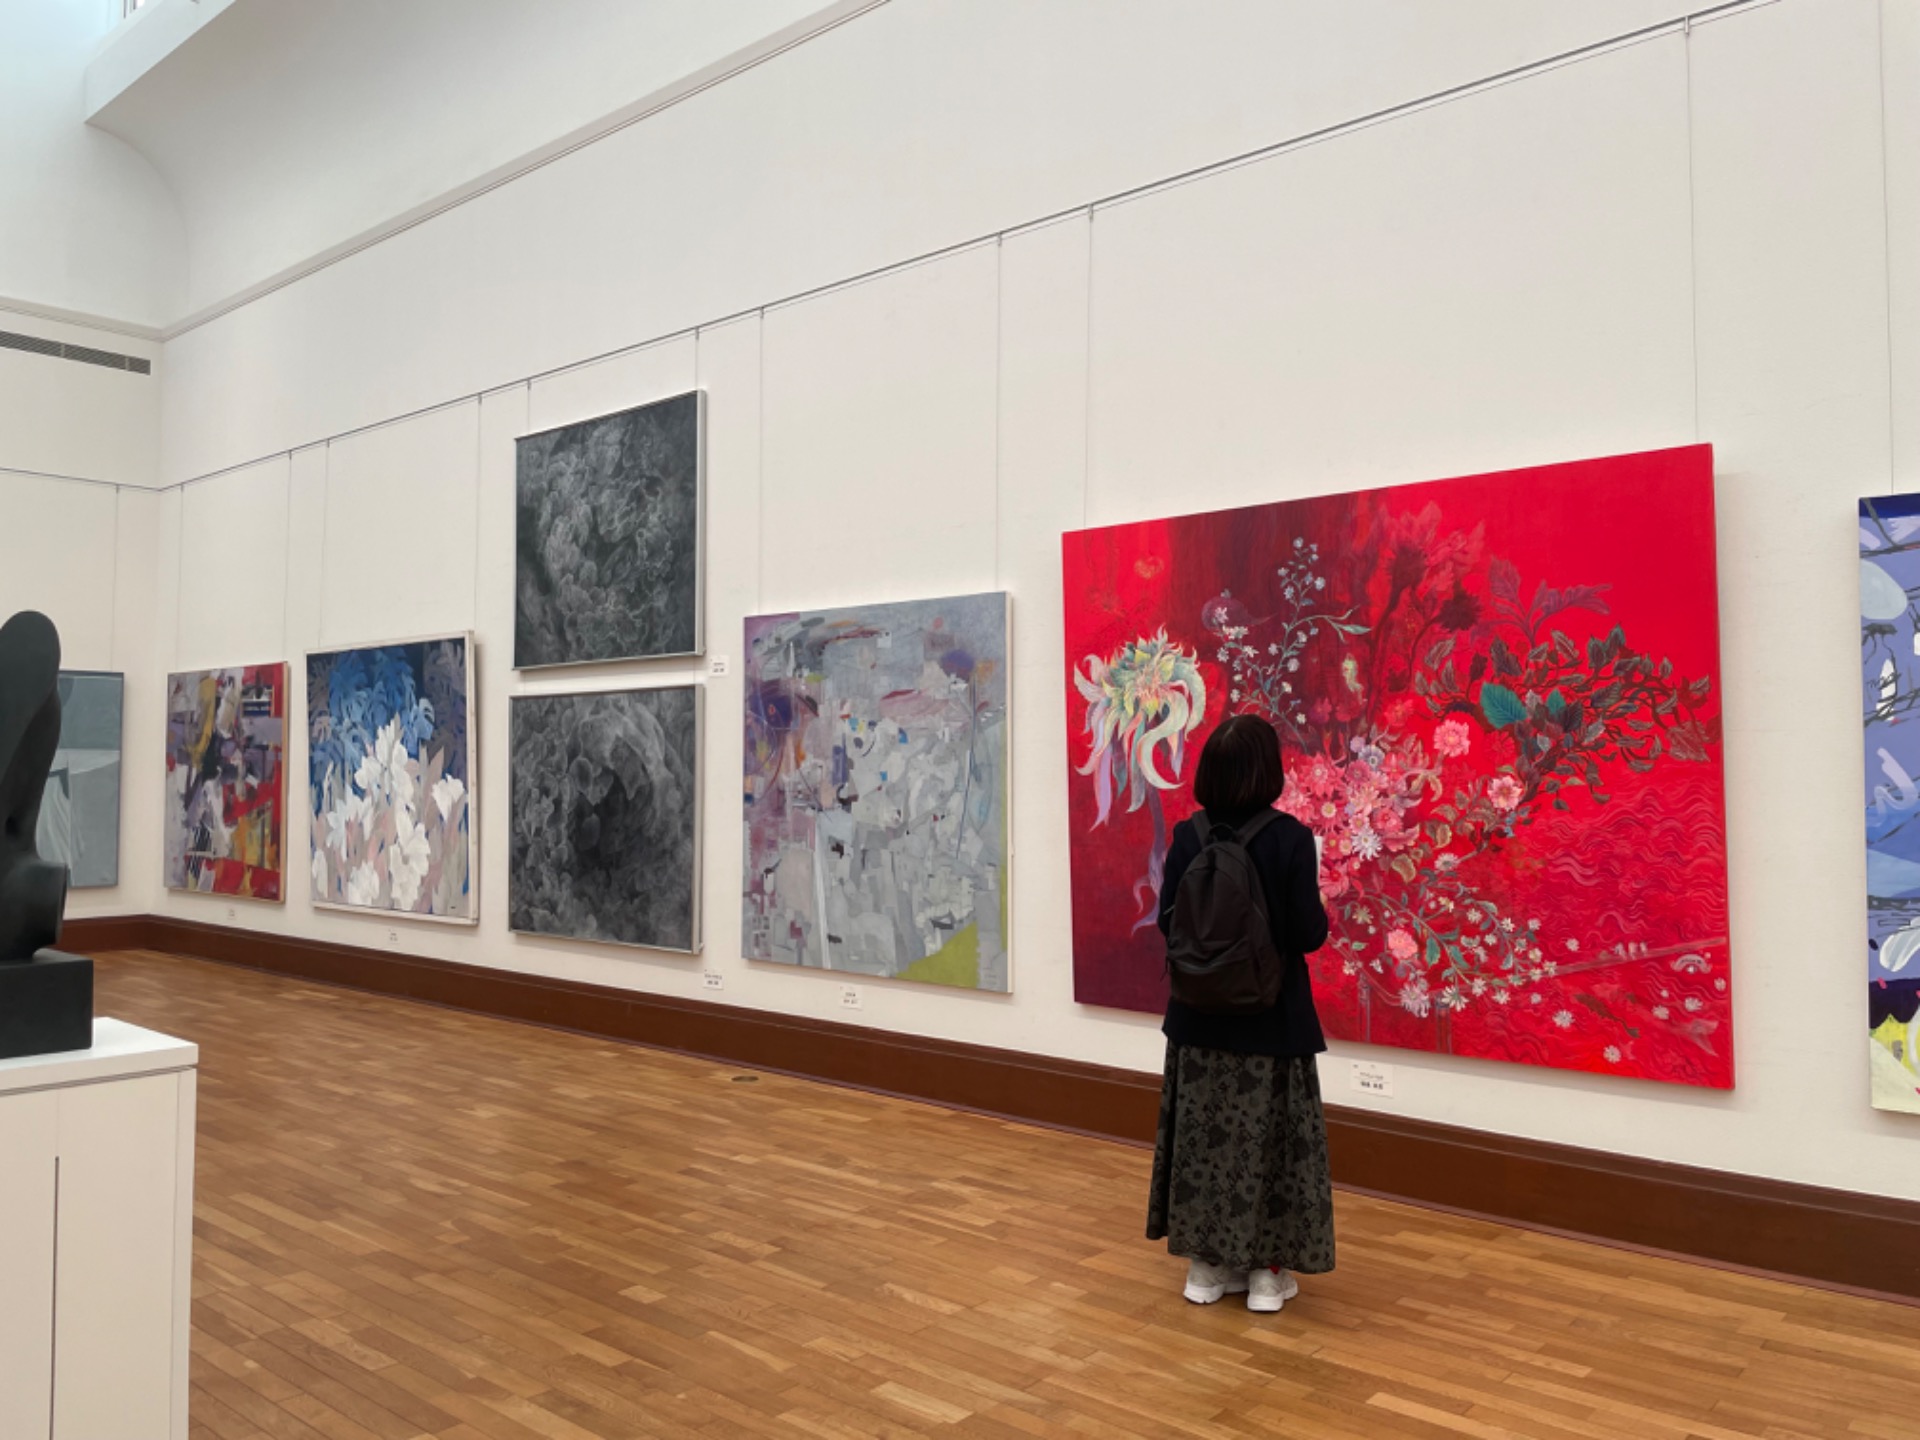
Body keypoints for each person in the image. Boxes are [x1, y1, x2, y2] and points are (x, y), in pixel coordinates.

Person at [1145, 712, 1334, 1313]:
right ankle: (1265, 1278)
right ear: (1268, 771)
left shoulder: (1188, 836)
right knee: (1270, 1148)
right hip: (1271, 1023)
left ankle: (1205, 1269)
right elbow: (1307, 934)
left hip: (1197, 1021)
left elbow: (1168, 923)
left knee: (1203, 1145)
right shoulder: (1290, 839)